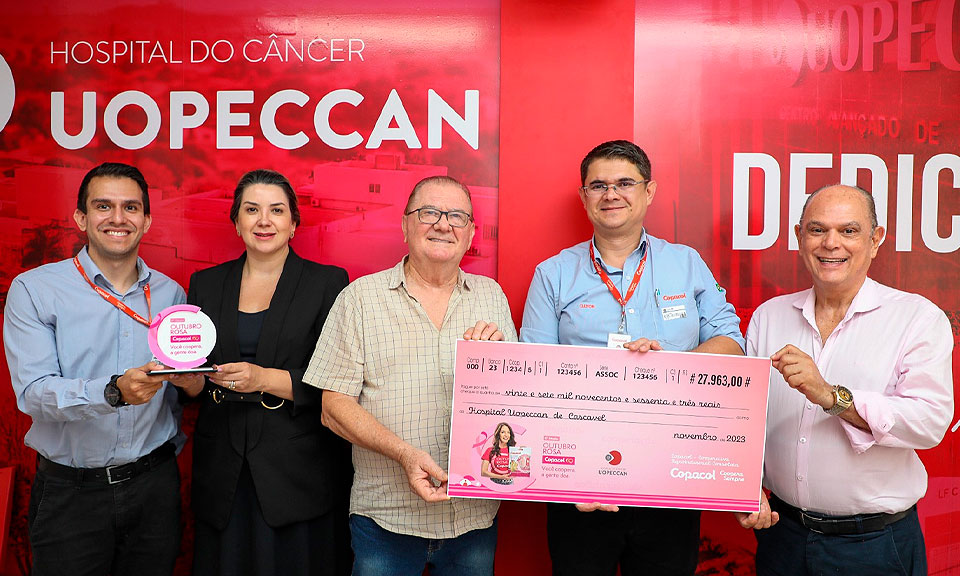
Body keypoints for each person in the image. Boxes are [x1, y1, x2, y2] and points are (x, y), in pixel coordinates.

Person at [521, 140, 745, 576]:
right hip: (581, 483)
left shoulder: (686, 263)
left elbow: (732, 343)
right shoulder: (553, 274)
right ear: (584, 196)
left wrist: (671, 368)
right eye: (598, 185)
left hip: (672, 473)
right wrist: (568, 478)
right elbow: (536, 376)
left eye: (625, 183)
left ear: (649, 191)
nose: (611, 194)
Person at [303, 175, 517, 576]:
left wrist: (498, 366)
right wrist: (404, 454)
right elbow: (333, 408)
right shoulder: (360, 298)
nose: (443, 224)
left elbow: (519, 403)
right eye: (429, 213)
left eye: (456, 216)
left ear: (471, 234)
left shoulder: (491, 296)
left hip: (473, 518)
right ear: (405, 225)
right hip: (386, 520)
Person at [738, 184, 954, 575]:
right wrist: (742, 486)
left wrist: (831, 396)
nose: (830, 243)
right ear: (799, 237)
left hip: (874, 546)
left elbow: (929, 423)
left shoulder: (917, 318)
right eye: (817, 230)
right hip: (781, 536)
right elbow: (744, 420)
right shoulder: (769, 317)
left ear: (875, 239)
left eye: (848, 231)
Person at [3, 162, 197, 576]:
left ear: (146, 221)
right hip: (71, 495)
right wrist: (113, 392)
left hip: (154, 489)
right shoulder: (35, 289)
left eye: (131, 207)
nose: (118, 218)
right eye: (103, 206)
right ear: (81, 218)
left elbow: (182, 387)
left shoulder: (172, 294)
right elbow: (34, 393)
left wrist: (194, 381)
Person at [184, 169, 352, 576]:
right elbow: (195, 379)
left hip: (297, 471)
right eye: (251, 210)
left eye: (276, 210)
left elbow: (339, 381)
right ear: (236, 222)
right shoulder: (204, 284)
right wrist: (185, 381)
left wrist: (263, 379)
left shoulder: (328, 283)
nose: (264, 220)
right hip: (222, 470)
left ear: (293, 224)